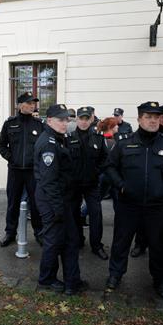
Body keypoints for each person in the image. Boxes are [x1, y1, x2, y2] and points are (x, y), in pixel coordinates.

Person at [105, 101, 163, 298]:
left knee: (159, 245)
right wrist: (122, 186)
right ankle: (115, 275)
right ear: (139, 119)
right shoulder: (124, 142)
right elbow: (109, 166)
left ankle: (161, 280)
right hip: (129, 204)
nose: (153, 121)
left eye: (156, 117)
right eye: (148, 117)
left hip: (158, 206)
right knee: (121, 242)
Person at [35, 104, 87, 296]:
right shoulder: (49, 143)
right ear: (49, 120)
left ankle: (72, 281)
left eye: (66, 119)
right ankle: (46, 279)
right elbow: (49, 182)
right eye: (60, 119)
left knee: (70, 240)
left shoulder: (59, 138)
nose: (65, 123)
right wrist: (58, 209)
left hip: (63, 199)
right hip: (53, 201)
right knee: (53, 241)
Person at [0, 92, 45, 247]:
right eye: (29, 103)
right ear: (19, 105)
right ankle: (10, 233)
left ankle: (39, 233)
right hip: (15, 171)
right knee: (13, 203)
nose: (32, 106)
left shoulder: (39, 124)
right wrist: (11, 157)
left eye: (33, 103)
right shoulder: (10, 123)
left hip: (32, 172)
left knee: (36, 204)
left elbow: (44, 147)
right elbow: (1, 145)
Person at [68, 106, 109, 260]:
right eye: (81, 118)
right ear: (77, 119)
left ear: (92, 119)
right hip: (74, 184)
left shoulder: (98, 136)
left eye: (87, 119)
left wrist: (96, 171)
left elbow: (106, 158)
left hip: (92, 183)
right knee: (74, 213)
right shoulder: (68, 136)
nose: (84, 122)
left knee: (96, 214)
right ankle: (78, 240)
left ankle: (96, 246)